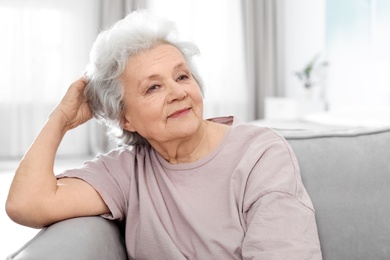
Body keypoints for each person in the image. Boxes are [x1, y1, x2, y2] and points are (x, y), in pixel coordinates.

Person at [6, 10, 322, 259]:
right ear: (125, 118)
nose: (177, 93)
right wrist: (59, 118)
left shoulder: (261, 154)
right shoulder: (126, 172)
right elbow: (26, 203)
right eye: (153, 87)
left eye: (182, 76)